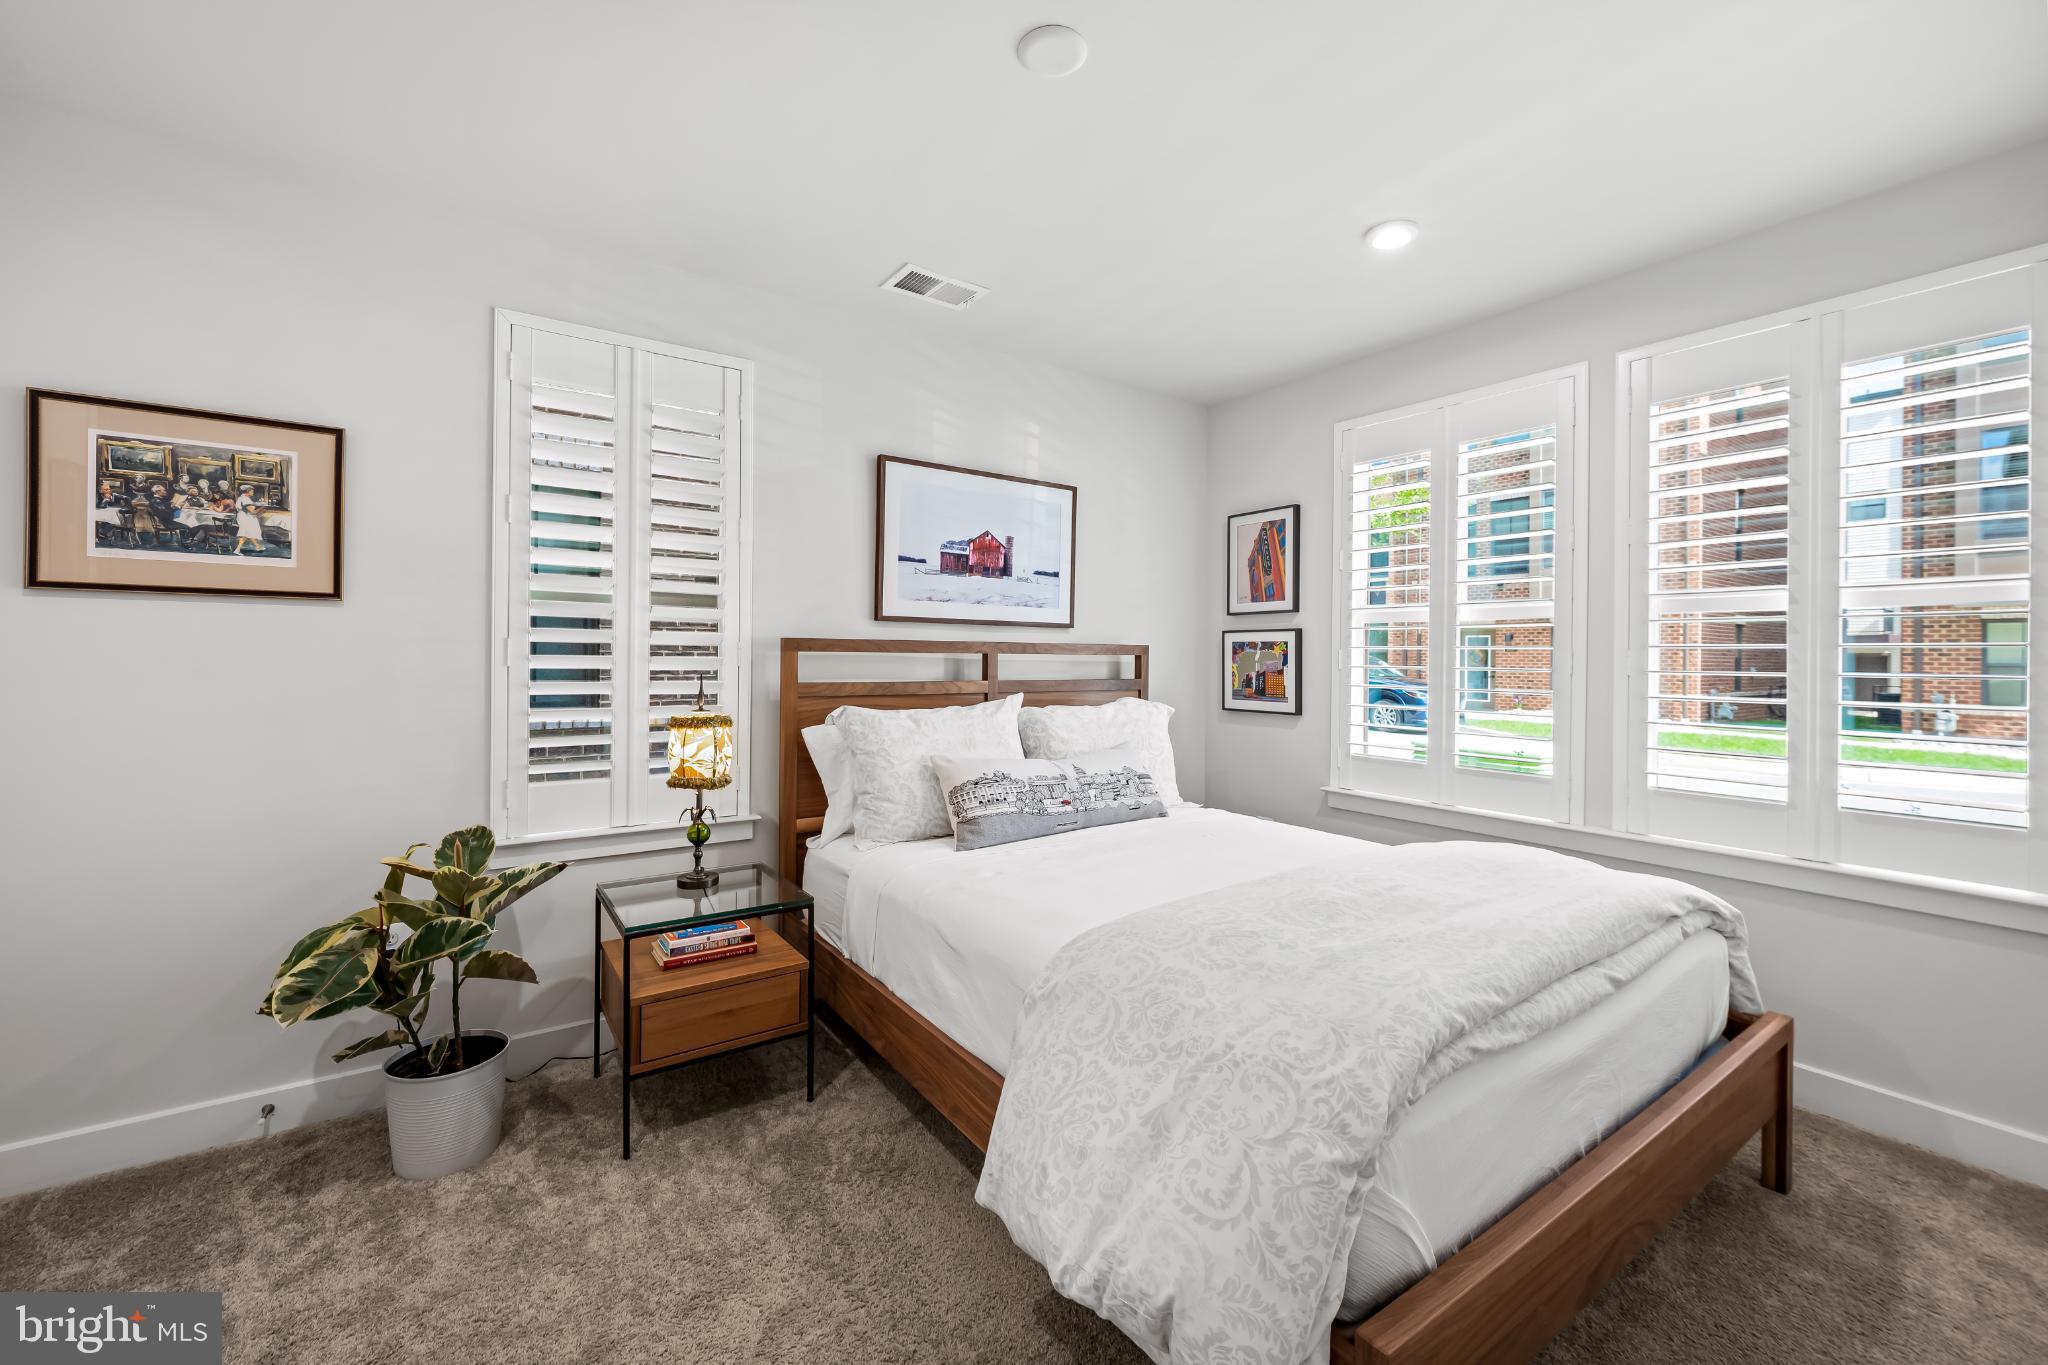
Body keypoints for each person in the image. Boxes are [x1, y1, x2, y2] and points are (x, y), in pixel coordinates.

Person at [233, 484, 265, 555]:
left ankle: (258, 546)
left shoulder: (242, 498)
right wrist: (262, 507)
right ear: (247, 491)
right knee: (246, 532)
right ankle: (237, 550)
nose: (253, 492)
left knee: (249, 532)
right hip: (245, 517)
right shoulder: (245, 499)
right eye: (251, 491)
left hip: (244, 516)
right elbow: (253, 511)